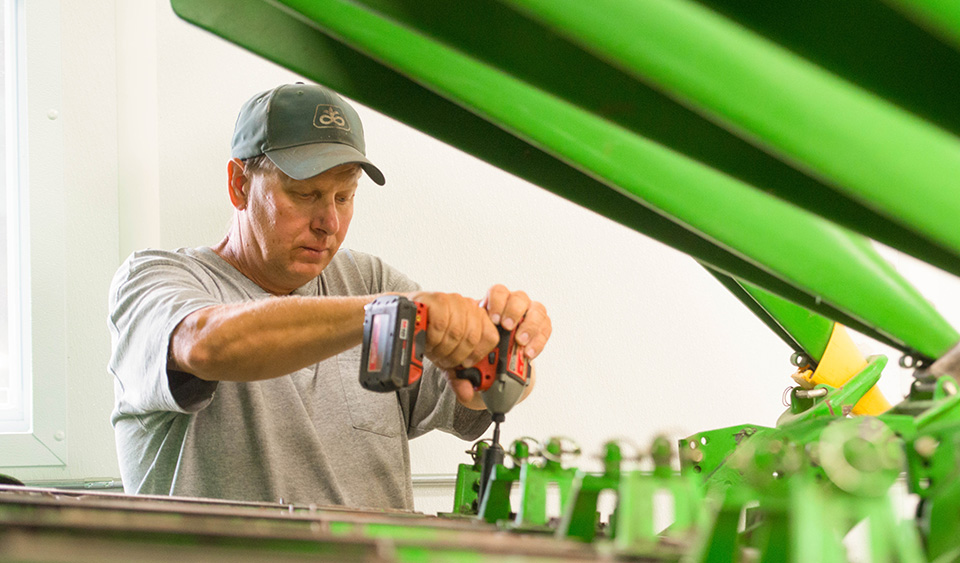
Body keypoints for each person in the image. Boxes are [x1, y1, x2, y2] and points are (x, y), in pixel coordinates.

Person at [108, 83, 552, 510]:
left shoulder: (371, 280)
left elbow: (486, 394)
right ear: (239, 185)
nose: (330, 222)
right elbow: (207, 345)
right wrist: (382, 312)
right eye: (306, 194)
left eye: (345, 196)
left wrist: (506, 344)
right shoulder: (155, 280)